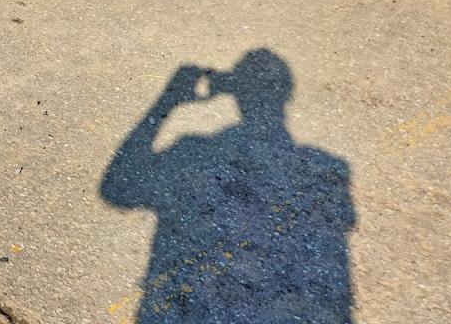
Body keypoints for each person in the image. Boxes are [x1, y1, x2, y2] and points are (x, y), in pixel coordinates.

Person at [101, 50, 355, 323]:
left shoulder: (192, 151)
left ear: (235, 93)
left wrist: (168, 99)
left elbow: (117, 188)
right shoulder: (328, 168)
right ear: (286, 95)